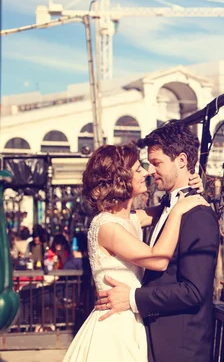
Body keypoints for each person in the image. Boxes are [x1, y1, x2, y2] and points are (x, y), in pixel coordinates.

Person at [63, 143, 207, 362]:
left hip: (131, 318)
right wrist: (179, 211)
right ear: (121, 179)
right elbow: (158, 259)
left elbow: (166, 208)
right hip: (115, 326)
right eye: (138, 169)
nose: (146, 173)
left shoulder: (130, 218)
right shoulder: (107, 227)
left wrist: (190, 188)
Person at [94, 121, 220, 362]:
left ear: (182, 161)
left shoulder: (198, 215)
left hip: (179, 349)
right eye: (148, 165)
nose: (150, 171)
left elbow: (194, 292)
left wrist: (133, 298)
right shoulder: (167, 208)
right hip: (147, 338)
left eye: (156, 163)